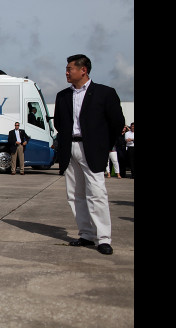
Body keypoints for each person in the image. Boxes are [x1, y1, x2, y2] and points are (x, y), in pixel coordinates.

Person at [54, 54, 125, 255]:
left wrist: (104, 145)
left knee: (97, 193)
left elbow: (117, 122)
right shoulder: (63, 96)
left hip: (92, 149)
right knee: (75, 194)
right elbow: (59, 123)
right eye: (66, 69)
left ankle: (103, 238)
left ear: (83, 70)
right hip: (70, 147)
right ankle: (86, 234)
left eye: (70, 69)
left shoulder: (104, 93)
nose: (66, 72)